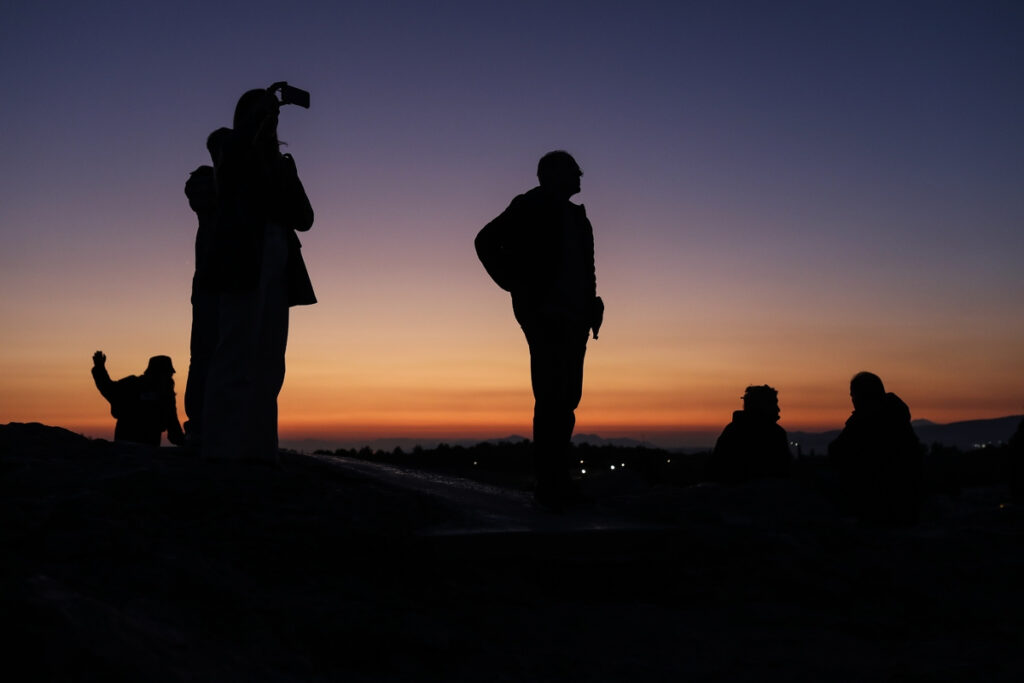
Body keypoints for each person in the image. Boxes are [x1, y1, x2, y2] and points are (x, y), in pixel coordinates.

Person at [475, 151, 604, 509]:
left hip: (576, 318)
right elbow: (485, 242)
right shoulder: (530, 205)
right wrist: (517, 285)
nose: (580, 175)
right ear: (554, 175)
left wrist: (592, 304)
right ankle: (550, 483)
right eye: (574, 171)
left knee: (566, 400)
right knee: (551, 398)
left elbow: (585, 269)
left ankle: (557, 480)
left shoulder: (579, 218)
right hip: (547, 315)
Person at [201, 86, 316, 462]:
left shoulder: (282, 163)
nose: (273, 121)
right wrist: (257, 121)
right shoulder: (226, 143)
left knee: (269, 360)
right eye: (266, 114)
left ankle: (260, 447)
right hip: (242, 260)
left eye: (275, 116)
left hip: (278, 263)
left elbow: (304, 217)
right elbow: (232, 164)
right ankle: (219, 445)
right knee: (235, 351)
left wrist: (281, 176)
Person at [828, 372, 924, 525]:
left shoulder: (864, 421)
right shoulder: (897, 417)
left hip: (879, 500)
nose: (852, 401)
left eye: (854, 396)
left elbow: (837, 451)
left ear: (862, 396)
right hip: (907, 499)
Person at [182, 162, 219, 445]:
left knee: (206, 357)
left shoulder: (211, 215)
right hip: (211, 291)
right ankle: (200, 423)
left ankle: (203, 422)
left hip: (211, 290)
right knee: (205, 357)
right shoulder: (213, 215)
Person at [91, 350, 185, 447]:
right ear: (158, 374)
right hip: (128, 445)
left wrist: (184, 443)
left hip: (146, 447)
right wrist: (99, 369)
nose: (170, 378)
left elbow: (173, 426)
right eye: (167, 374)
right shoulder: (133, 385)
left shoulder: (166, 395)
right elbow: (109, 389)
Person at [708, 385, 792, 483]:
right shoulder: (775, 434)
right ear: (762, 405)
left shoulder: (731, 430)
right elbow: (783, 471)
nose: (778, 409)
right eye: (773, 403)